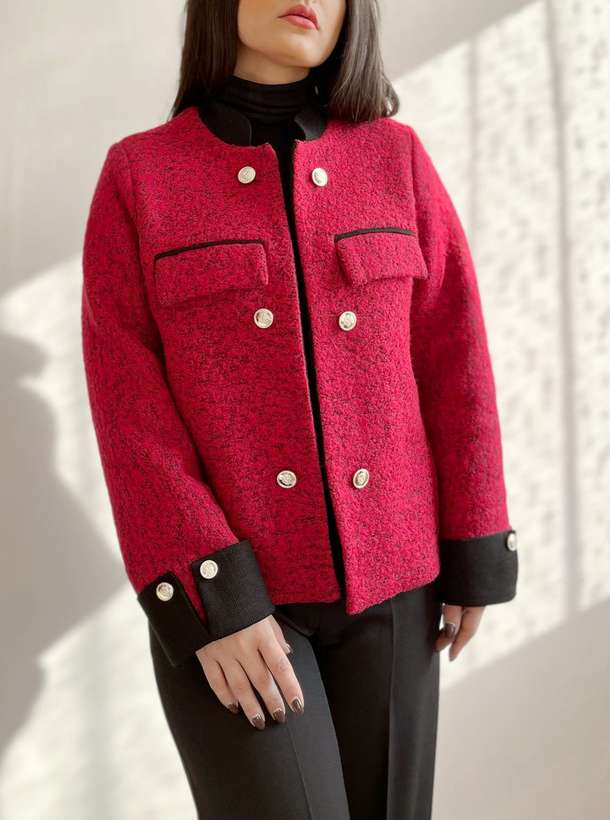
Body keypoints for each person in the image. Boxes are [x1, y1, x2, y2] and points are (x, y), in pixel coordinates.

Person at [81, 1, 519, 818]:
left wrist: (477, 540)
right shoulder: (141, 176)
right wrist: (215, 597)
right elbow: (129, 410)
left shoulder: (395, 158)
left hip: (398, 584)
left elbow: (455, 358)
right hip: (236, 601)